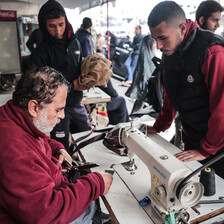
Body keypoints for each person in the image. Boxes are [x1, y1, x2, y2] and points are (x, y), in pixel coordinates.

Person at [0, 66, 113, 223]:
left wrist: (56, 148)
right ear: (34, 107)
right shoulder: (17, 153)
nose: (63, 115)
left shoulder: (12, 115)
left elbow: (37, 137)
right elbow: (47, 213)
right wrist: (97, 184)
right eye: (58, 109)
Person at [147, 1, 224, 178]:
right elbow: (171, 94)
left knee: (216, 197)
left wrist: (207, 149)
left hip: (218, 145)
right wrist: (159, 126)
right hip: (192, 136)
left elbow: (222, 107)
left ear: (182, 28)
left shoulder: (212, 51)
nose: (158, 46)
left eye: (163, 38)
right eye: (155, 39)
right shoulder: (169, 52)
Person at [30, 0, 90, 150]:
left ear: (66, 21)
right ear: (44, 25)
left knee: (86, 144)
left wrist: (88, 77)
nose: (58, 31)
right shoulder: (41, 52)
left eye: (61, 24)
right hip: (56, 110)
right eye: (52, 26)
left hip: (77, 103)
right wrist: (73, 85)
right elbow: (39, 85)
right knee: (61, 150)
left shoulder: (75, 42)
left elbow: (80, 66)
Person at [76, 19, 130, 125]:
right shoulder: (95, 68)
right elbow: (113, 94)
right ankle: (123, 129)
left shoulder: (77, 35)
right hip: (88, 107)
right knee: (120, 100)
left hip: (81, 101)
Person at [125, 34, 156, 100]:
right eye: (155, 43)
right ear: (150, 43)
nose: (156, 46)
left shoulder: (147, 53)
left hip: (142, 86)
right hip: (144, 86)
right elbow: (146, 72)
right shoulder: (147, 55)